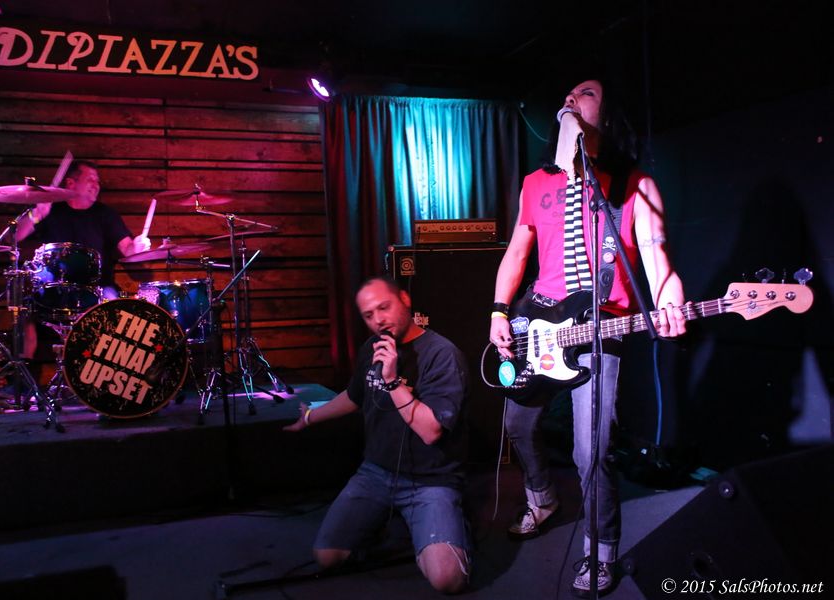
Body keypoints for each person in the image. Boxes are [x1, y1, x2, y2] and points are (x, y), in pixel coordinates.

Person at [489, 79, 687, 596]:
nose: (571, 98)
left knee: (590, 450)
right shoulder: (535, 183)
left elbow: (658, 258)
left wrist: (670, 300)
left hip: (602, 328)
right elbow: (516, 253)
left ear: (609, 115)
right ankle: (541, 497)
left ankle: (601, 549)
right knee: (517, 423)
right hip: (539, 323)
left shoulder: (634, 184)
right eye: (568, 93)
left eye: (588, 93)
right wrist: (499, 311)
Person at [284, 277, 470, 593]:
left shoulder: (442, 354)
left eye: (384, 307)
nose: (378, 320)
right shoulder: (372, 348)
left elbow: (431, 432)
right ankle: (384, 525)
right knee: (327, 557)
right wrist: (311, 417)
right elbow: (355, 396)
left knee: (447, 579)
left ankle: (449, 528)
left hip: (431, 480)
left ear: (404, 300)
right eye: (369, 315)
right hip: (377, 473)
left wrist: (393, 380)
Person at [16, 159, 151, 358]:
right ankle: (23, 372)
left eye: (98, 181)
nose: (96, 185)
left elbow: (127, 249)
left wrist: (138, 245)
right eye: (91, 180)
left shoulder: (105, 214)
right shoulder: (52, 211)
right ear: (71, 183)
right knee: (24, 310)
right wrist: (36, 215)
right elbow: (15, 236)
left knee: (116, 308)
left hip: (99, 288)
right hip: (55, 288)